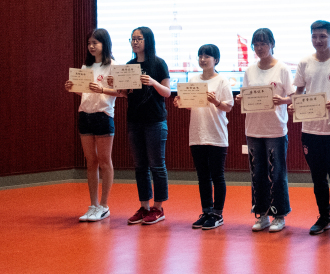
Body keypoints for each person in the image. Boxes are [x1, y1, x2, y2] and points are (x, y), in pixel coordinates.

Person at [291, 21, 330, 236]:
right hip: (310, 130)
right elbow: (298, 91)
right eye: (314, 36)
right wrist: (295, 104)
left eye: (323, 36)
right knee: (318, 178)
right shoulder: (304, 63)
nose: (318, 40)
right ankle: (324, 217)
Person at [234, 28, 294, 232]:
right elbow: (245, 96)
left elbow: (293, 97)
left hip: (275, 129)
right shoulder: (249, 70)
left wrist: (282, 100)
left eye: (264, 43)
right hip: (253, 129)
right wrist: (241, 99)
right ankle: (262, 214)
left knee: (277, 174)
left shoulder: (282, 69)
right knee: (257, 174)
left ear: (272, 44)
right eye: (256, 44)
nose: (259, 48)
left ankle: (279, 215)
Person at [172, 44, 234, 230]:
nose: (203, 59)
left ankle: (217, 214)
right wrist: (180, 102)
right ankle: (207, 211)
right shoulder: (193, 79)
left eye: (207, 56)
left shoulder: (222, 81)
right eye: (200, 55)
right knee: (203, 176)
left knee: (217, 176)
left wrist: (216, 101)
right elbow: (191, 104)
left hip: (216, 134)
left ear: (216, 60)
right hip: (197, 134)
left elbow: (228, 107)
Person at [117, 27, 172, 225]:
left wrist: (153, 82)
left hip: (155, 121)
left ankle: (158, 208)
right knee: (140, 166)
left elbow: (167, 92)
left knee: (157, 165)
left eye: (139, 38)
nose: (135, 42)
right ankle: (144, 206)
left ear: (147, 40)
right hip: (134, 120)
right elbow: (124, 93)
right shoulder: (129, 65)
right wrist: (118, 86)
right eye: (132, 39)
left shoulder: (158, 63)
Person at [63, 28, 119, 222]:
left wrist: (102, 89)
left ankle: (104, 205)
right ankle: (93, 205)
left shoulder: (113, 66)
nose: (91, 46)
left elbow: (120, 92)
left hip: (103, 114)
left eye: (95, 42)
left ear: (105, 44)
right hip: (85, 114)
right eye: (89, 43)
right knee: (91, 162)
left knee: (105, 161)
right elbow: (85, 92)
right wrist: (73, 89)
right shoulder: (85, 66)